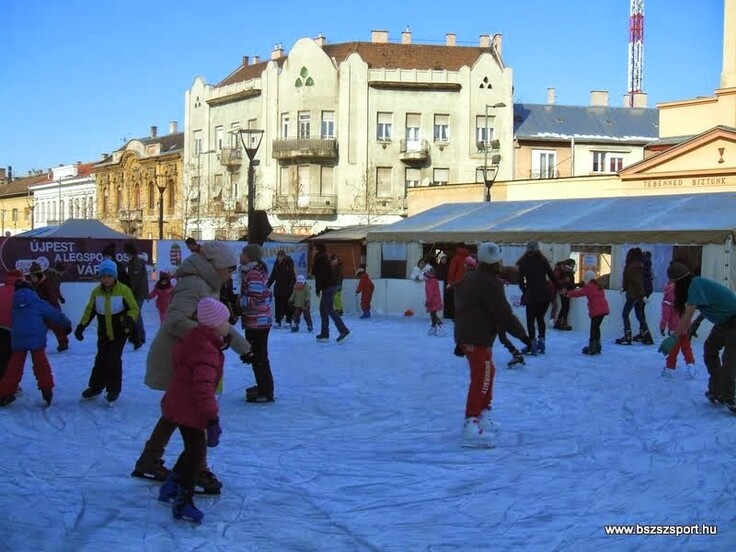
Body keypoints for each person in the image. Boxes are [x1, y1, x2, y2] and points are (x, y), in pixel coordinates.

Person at [132, 241, 252, 493]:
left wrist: (243, 346)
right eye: (228, 269)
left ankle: (150, 459)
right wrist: (208, 338)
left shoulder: (206, 284)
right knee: (196, 409)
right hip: (181, 357)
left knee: (177, 408)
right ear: (214, 265)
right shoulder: (193, 284)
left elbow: (216, 323)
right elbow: (175, 321)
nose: (230, 275)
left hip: (190, 354)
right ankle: (197, 469)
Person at [157, 297, 230, 524]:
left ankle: (170, 486)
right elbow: (203, 390)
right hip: (190, 408)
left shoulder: (197, 338)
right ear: (215, 325)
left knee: (192, 450)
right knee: (196, 453)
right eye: (226, 321)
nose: (229, 325)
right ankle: (183, 502)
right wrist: (212, 419)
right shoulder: (206, 351)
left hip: (179, 402)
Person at [453, 242, 532, 448]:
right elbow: (504, 313)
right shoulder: (489, 282)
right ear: (496, 261)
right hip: (477, 337)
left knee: (489, 372)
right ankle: (471, 423)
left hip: (469, 335)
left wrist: (461, 336)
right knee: (482, 376)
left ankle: (483, 413)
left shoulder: (469, 277)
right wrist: (524, 337)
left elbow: (462, 306)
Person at [661, 262, 736, 412]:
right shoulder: (696, 284)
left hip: (734, 322)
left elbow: (687, 316)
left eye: (673, 282)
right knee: (710, 350)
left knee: (729, 360)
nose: (673, 286)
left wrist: (674, 337)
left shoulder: (694, 286)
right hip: (723, 323)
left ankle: (729, 397)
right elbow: (708, 304)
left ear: (679, 281)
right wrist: (696, 323)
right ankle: (717, 389)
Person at [74, 259, 140, 404]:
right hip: (103, 332)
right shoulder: (96, 292)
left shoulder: (123, 290)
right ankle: (96, 387)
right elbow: (89, 310)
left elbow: (134, 308)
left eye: (109, 276)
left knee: (113, 359)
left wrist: (129, 318)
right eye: (103, 276)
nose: (106, 279)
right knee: (101, 359)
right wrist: (81, 326)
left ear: (114, 276)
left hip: (120, 331)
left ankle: (113, 389)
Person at [0, 280, 71, 407]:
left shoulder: (13, 303)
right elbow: (55, 314)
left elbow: (5, 319)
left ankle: (4, 393)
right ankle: (46, 390)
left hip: (18, 339)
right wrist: (66, 324)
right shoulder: (38, 302)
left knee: (14, 368)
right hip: (36, 340)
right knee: (41, 366)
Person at [240, 244, 275, 403]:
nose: (240, 255)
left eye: (243, 253)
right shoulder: (254, 272)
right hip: (257, 321)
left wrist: (237, 301)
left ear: (249, 256)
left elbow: (256, 299)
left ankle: (265, 391)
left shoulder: (253, 273)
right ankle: (263, 387)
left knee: (259, 357)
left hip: (257, 322)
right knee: (258, 356)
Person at [517, 241, 557, 355]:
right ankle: (542, 341)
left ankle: (532, 344)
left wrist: (526, 291)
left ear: (527, 249)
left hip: (532, 294)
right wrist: (561, 287)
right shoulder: (543, 260)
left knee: (530, 320)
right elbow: (552, 276)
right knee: (540, 318)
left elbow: (520, 281)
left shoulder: (523, 262)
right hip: (545, 294)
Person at [563, 270, 610, 355]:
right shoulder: (598, 285)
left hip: (597, 310)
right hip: (603, 309)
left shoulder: (589, 286)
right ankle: (597, 346)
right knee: (596, 327)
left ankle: (592, 346)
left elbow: (579, 293)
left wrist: (567, 294)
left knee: (594, 328)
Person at [311, 244, 350, 343]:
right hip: (329, 286)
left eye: (313, 249)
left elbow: (320, 276)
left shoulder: (320, 259)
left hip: (328, 286)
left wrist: (318, 289)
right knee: (323, 310)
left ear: (317, 249)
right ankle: (324, 334)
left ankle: (343, 330)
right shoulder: (323, 257)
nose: (312, 251)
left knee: (329, 310)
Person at [659, 274, 696, 378]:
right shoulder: (684, 295)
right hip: (686, 328)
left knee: (673, 350)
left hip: (674, 330)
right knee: (687, 348)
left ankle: (669, 369)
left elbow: (665, 316)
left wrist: (662, 327)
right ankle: (691, 366)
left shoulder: (667, 301)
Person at [615, 247, 653, 345]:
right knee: (639, 314)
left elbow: (637, 282)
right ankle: (647, 335)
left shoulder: (632, 266)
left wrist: (642, 294)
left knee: (625, 314)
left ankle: (628, 336)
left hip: (633, 294)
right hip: (638, 293)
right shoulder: (640, 265)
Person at [29, 262, 69, 352]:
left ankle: (63, 343)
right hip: (42, 308)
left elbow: (53, 293)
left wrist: (56, 307)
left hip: (50, 307)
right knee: (40, 327)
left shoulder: (47, 282)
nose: (31, 279)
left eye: (33, 277)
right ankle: (38, 344)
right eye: (31, 277)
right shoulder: (39, 282)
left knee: (57, 326)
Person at [0, 270, 24, 381]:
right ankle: (10, 386)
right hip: (15, 331)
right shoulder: (22, 293)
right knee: (13, 360)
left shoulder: (1, 291)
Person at [124, 242, 150, 346]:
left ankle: (140, 336)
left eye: (126, 253)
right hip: (139, 293)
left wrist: (129, 293)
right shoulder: (135, 262)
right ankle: (137, 336)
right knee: (136, 314)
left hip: (138, 293)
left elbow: (135, 280)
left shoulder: (135, 263)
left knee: (136, 314)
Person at [267, 249, 296, 328]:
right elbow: (273, 275)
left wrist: (291, 286)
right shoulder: (276, 265)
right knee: (278, 305)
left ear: (284, 257)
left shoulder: (288, 264)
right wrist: (268, 285)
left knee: (287, 305)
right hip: (278, 289)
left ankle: (288, 320)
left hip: (287, 289)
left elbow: (292, 276)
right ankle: (278, 320)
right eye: (278, 256)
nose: (279, 258)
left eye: (281, 256)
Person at [445, 244, 471, 320]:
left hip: (457, 282)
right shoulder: (469, 258)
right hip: (468, 282)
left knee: (457, 300)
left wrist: (450, 281)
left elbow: (452, 271)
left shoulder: (455, 258)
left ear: (458, 248)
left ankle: (456, 317)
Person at [552, 259, 576, 331]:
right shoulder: (568, 272)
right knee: (566, 307)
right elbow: (569, 283)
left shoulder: (564, 271)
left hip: (562, 290)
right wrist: (578, 284)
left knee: (564, 307)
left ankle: (559, 322)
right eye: (573, 264)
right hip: (566, 291)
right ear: (570, 264)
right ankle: (563, 322)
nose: (574, 266)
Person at [425, 266, 444, 336]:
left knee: (433, 315)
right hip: (436, 300)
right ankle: (433, 328)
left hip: (432, 301)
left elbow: (430, 293)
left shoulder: (430, 282)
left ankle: (440, 326)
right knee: (433, 315)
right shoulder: (434, 281)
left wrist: (427, 301)